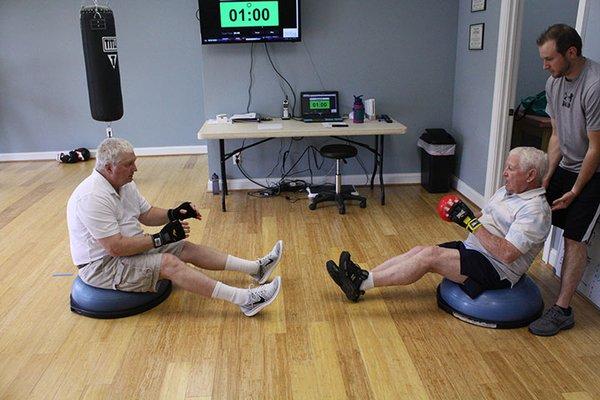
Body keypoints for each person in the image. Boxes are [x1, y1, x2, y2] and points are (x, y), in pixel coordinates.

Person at [67, 137, 283, 317]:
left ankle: (257, 269)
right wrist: (159, 239)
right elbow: (115, 248)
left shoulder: (125, 184)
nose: (136, 168)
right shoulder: (92, 197)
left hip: (127, 250)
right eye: (128, 164)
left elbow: (146, 213)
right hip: (102, 266)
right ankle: (246, 300)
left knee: (185, 247)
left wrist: (173, 213)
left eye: (134, 161)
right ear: (108, 168)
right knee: (169, 263)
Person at [326, 147, 551, 306]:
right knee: (420, 250)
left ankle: (360, 285)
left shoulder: (535, 211)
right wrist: (463, 215)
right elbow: (485, 216)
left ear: (531, 175)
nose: (504, 173)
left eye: (510, 169)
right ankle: (363, 275)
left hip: (496, 269)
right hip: (476, 249)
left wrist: (470, 223)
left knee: (429, 258)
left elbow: (508, 253)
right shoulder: (508, 191)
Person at [528, 24, 600, 336]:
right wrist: (546, 178)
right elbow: (556, 135)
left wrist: (575, 189)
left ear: (571, 52)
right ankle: (505, 270)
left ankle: (562, 309)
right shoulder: (554, 83)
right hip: (568, 163)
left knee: (574, 237)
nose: (545, 66)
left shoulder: (595, 85)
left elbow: (597, 148)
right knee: (532, 207)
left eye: (549, 59)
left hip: (595, 171)